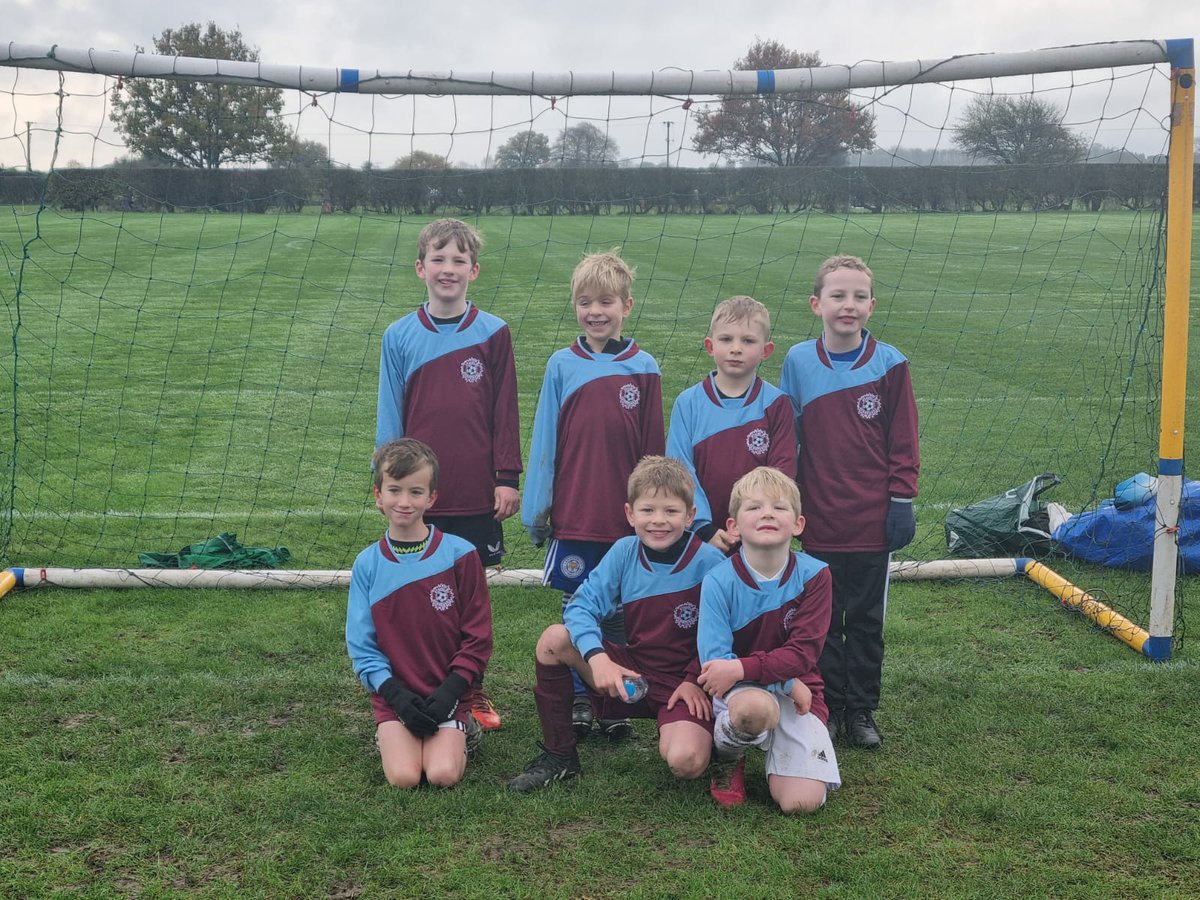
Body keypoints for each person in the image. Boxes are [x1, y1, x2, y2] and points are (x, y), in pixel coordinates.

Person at [375, 218, 520, 732]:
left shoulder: (493, 333)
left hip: (476, 492)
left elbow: (505, 411)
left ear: (474, 271)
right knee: (418, 596)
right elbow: (389, 412)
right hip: (419, 496)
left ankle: (472, 692)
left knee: (468, 599)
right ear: (421, 268)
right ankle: (415, 686)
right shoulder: (399, 335)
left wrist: (507, 478)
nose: (448, 269)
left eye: (459, 260)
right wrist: (389, 481)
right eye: (438, 259)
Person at [508, 456, 726, 792]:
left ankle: (718, 744)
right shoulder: (625, 552)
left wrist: (694, 678)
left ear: (690, 515)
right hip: (634, 673)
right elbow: (581, 605)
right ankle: (560, 755)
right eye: (648, 510)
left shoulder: (710, 561)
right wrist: (598, 658)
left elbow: (726, 631)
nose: (659, 521)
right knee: (554, 639)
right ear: (630, 514)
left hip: (685, 682)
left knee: (686, 762)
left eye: (671, 511)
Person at [521, 250, 665, 739]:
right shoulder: (562, 365)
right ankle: (580, 699)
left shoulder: (644, 367)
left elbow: (654, 453)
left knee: (624, 611)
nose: (595, 311)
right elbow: (544, 441)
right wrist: (538, 508)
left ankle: (618, 698)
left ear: (627, 305)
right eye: (585, 302)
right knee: (578, 607)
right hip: (576, 515)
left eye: (606, 301)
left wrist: (653, 513)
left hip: (626, 521)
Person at [779, 255, 919, 750]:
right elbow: (787, 437)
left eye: (859, 296)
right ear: (816, 304)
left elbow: (903, 440)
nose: (849, 305)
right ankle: (826, 706)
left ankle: (861, 710)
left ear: (872, 305)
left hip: (870, 523)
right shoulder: (797, 360)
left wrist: (900, 500)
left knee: (863, 621)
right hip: (815, 521)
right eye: (838, 296)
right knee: (817, 621)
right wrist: (785, 505)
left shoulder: (890, 363)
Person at [345, 438, 493, 788]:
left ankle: (464, 727)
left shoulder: (461, 555)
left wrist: (452, 691)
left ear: (432, 498)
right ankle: (392, 730)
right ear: (378, 495)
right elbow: (362, 647)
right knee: (405, 778)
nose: (404, 502)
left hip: (448, 692)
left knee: (442, 775)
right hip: (396, 694)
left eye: (415, 492)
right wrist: (394, 695)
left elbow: (478, 637)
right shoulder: (367, 564)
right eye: (394, 490)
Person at [697, 466, 841, 812]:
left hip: (796, 689)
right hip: (739, 690)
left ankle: (778, 746)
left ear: (798, 524)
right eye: (754, 507)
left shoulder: (816, 575)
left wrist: (786, 682)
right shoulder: (717, 580)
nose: (767, 514)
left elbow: (803, 656)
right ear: (733, 526)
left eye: (779, 507)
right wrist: (788, 684)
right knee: (753, 709)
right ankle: (728, 754)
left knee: (801, 803)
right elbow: (716, 662)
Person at [667, 296, 797, 552]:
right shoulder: (688, 402)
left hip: (759, 532)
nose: (736, 348)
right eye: (726, 339)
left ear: (766, 350)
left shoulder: (777, 404)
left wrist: (753, 519)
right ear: (710, 345)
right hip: (701, 535)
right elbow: (680, 468)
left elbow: (781, 473)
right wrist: (703, 525)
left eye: (748, 340)